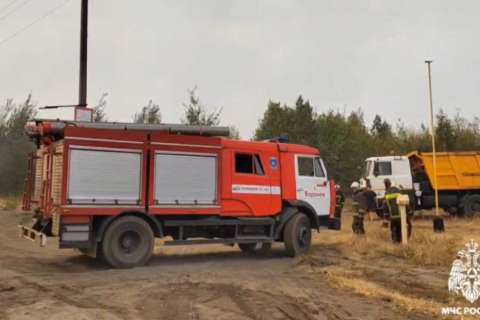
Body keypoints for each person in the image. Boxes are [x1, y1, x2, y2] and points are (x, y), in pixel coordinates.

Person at [383, 178, 412, 242]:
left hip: (392, 216)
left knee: (394, 228)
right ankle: (403, 240)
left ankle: (395, 241)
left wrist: (386, 216)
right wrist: (409, 212)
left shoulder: (386, 193)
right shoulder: (399, 192)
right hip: (401, 215)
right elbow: (405, 203)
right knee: (403, 228)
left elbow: (385, 206)